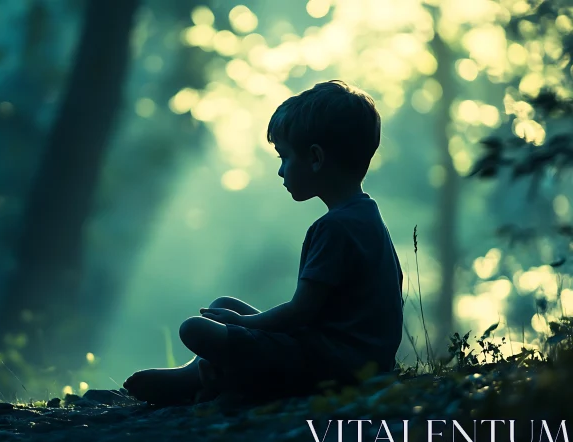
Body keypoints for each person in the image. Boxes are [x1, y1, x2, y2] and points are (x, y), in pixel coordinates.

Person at [123, 80, 404, 406]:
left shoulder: (335, 227)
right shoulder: (367, 217)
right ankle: (200, 374)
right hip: (356, 357)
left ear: (315, 158)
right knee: (224, 303)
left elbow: (301, 311)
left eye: (284, 157)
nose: (281, 171)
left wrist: (244, 325)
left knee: (195, 330)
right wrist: (243, 322)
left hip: (338, 365)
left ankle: (209, 378)